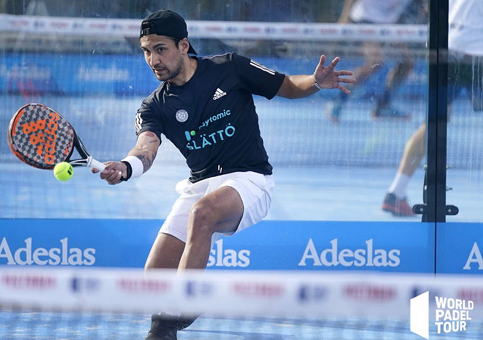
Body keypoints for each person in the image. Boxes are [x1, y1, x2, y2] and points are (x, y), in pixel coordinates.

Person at [93, 9, 355, 340]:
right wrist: (126, 166)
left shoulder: (229, 67)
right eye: (146, 51)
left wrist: (315, 82)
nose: (152, 59)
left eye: (161, 48)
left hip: (250, 180)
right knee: (153, 282)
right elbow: (146, 146)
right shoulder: (153, 106)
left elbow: (286, 85)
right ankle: (166, 326)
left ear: (183, 45)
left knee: (203, 215)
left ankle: (180, 309)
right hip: (199, 185)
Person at [382, 0, 482, 216]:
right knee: (434, 123)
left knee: (433, 124)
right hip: (476, 54)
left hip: (449, 48)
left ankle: (395, 193)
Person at [326, 0, 426, 124]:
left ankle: (384, 106)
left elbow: (427, 6)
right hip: (366, 18)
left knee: (407, 62)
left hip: (388, 23)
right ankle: (338, 100)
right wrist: (344, 18)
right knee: (375, 62)